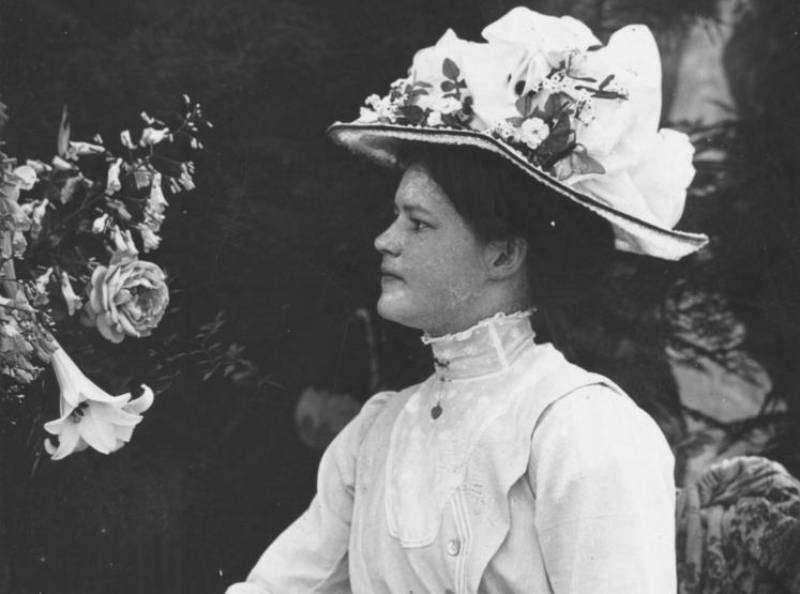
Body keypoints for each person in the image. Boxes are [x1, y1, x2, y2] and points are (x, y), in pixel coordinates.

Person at [227, 7, 708, 593]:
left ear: (503, 255)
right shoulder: (377, 435)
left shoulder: (580, 431)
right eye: (394, 216)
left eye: (419, 224)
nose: (386, 240)